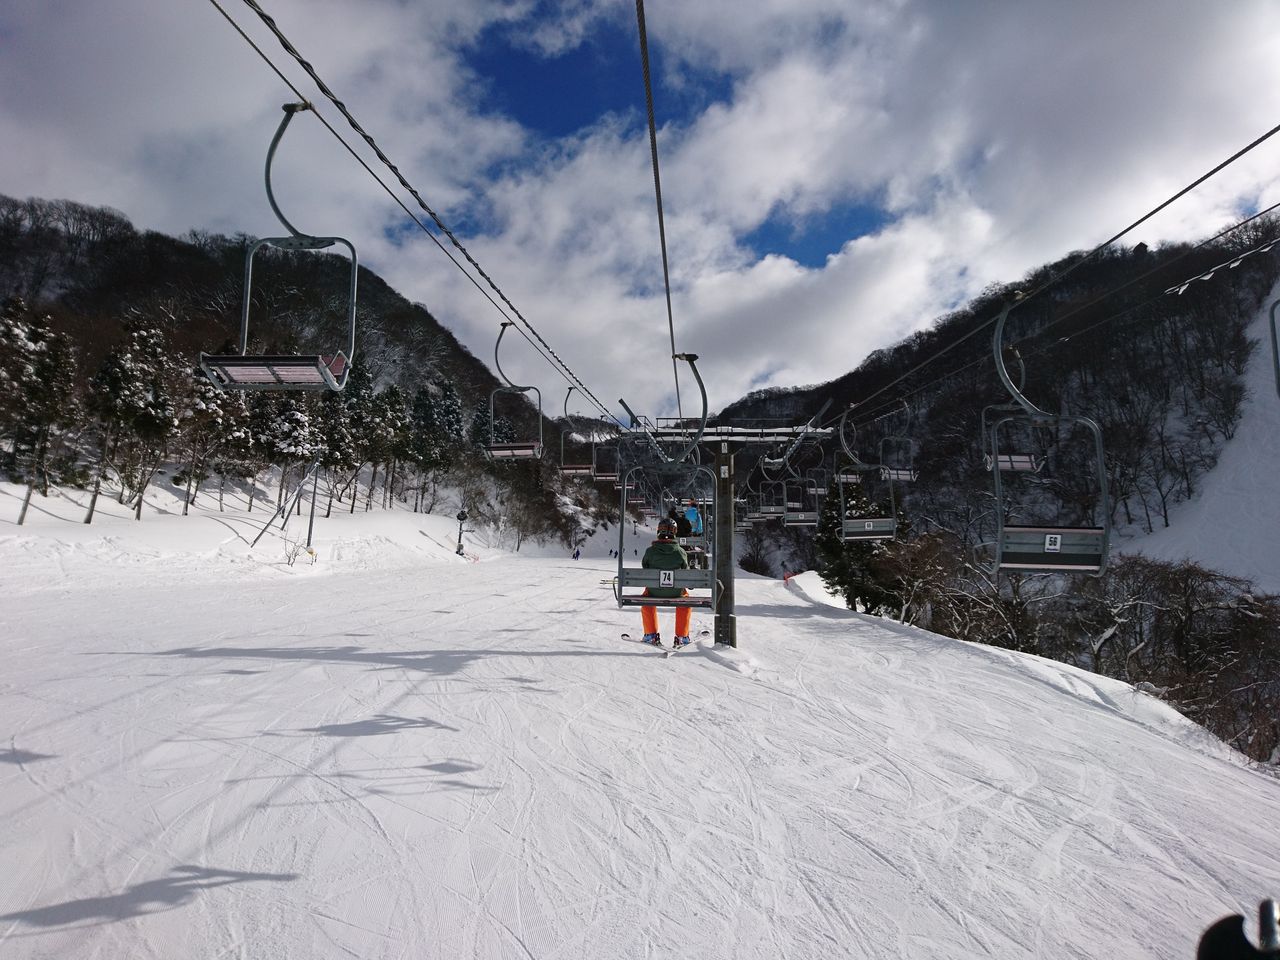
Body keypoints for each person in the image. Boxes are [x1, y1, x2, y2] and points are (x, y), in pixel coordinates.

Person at [639, 517, 692, 648]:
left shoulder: (650, 551)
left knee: (646, 600)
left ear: (658, 531)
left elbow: (645, 569)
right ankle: (682, 636)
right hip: (676, 592)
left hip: (653, 591)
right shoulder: (680, 552)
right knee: (685, 601)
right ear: (675, 532)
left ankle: (650, 634)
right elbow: (686, 573)